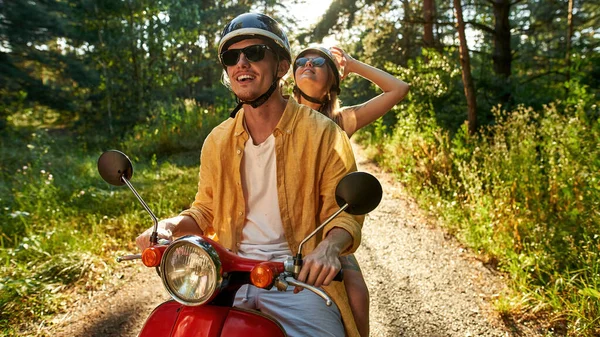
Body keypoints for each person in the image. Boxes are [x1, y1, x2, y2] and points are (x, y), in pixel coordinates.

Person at [135, 13, 363, 337]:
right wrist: (170, 227)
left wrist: (328, 249)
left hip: (297, 280)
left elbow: (344, 215)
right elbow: (204, 212)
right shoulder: (217, 140)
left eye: (254, 53)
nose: (241, 63)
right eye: (231, 57)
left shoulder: (324, 134)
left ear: (282, 67)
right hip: (225, 275)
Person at [293, 45, 409, 337]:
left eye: (318, 61)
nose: (308, 64)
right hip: (281, 225)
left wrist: (354, 65)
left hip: (325, 230)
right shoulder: (278, 115)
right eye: (300, 61)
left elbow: (398, 89)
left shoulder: (341, 121)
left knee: (357, 296)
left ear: (332, 80)